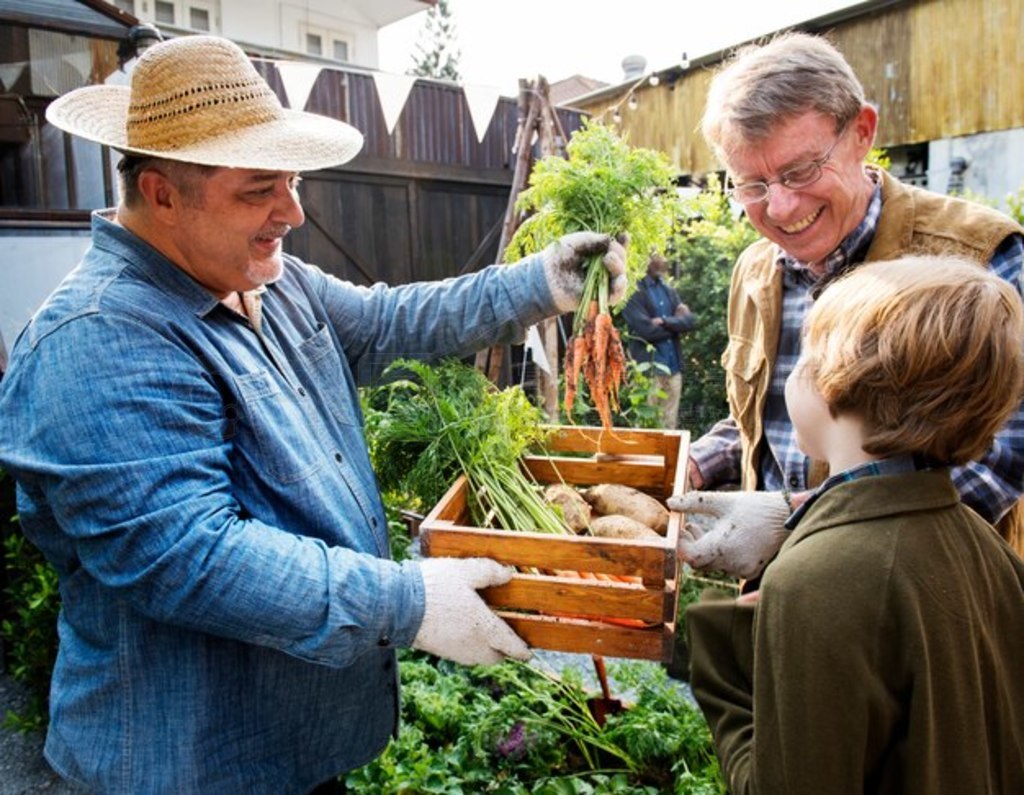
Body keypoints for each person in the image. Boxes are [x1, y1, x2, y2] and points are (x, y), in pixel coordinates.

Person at [0, 36, 627, 793]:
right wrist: (411, 599)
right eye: (258, 188)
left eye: (291, 181)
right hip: (188, 761)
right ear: (163, 193)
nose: (292, 211)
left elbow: (390, 320)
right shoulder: (100, 338)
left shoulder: (269, 278)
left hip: (291, 747)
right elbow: (191, 556)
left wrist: (541, 284)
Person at [672, 32, 1024, 579]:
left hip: (916, 603)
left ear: (861, 132)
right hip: (784, 589)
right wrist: (696, 465)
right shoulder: (754, 271)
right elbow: (769, 421)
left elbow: (1006, 461)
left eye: (800, 171)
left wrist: (811, 532)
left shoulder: (981, 258)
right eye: (752, 185)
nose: (782, 207)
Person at [683, 256, 1024, 793]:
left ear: (837, 382)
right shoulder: (987, 546)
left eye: (804, 356)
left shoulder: (815, 581)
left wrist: (717, 650)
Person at [621, 253, 696, 429]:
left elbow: (689, 322)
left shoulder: (667, 289)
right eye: (659, 256)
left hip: (673, 367)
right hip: (649, 371)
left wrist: (664, 321)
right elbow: (647, 331)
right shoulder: (632, 292)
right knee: (646, 426)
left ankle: (667, 457)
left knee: (669, 425)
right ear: (647, 260)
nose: (665, 260)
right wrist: (675, 325)